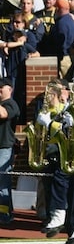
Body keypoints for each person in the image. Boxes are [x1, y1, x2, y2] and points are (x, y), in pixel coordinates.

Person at [0, 77, 20, 223]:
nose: (0, 89)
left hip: (4, 148)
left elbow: (3, 114)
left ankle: (4, 214)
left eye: (2, 87)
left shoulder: (11, 104)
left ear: (10, 89)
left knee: (2, 183)